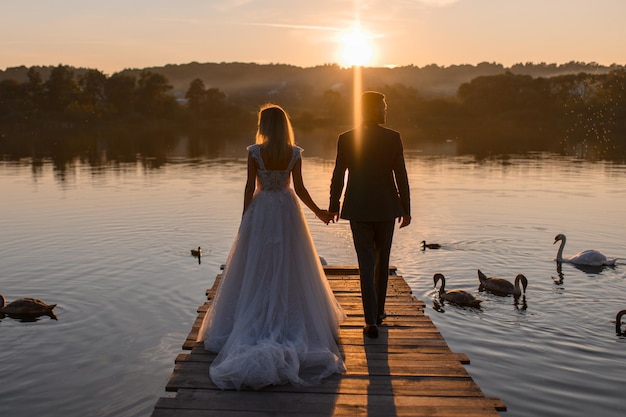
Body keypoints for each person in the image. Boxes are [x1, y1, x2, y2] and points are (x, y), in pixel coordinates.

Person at [198, 104, 346, 390]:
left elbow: (248, 187)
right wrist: (319, 213)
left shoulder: (254, 152)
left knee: (258, 264)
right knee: (292, 263)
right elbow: (300, 189)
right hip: (288, 211)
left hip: (262, 209)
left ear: (265, 125)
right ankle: (291, 315)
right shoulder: (294, 153)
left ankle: (256, 313)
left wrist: (245, 220)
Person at [329, 91, 411, 339]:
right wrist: (406, 209)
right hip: (386, 208)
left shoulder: (346, 138)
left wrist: (334, 205)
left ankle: (370, 320)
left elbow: (338, 175)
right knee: (381, 262)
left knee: (366, 263)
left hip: (358, 208)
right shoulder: (393, 138)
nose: (386, 110)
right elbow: (401, 176)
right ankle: (377, 314)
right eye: (384, 106)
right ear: (375, 109)